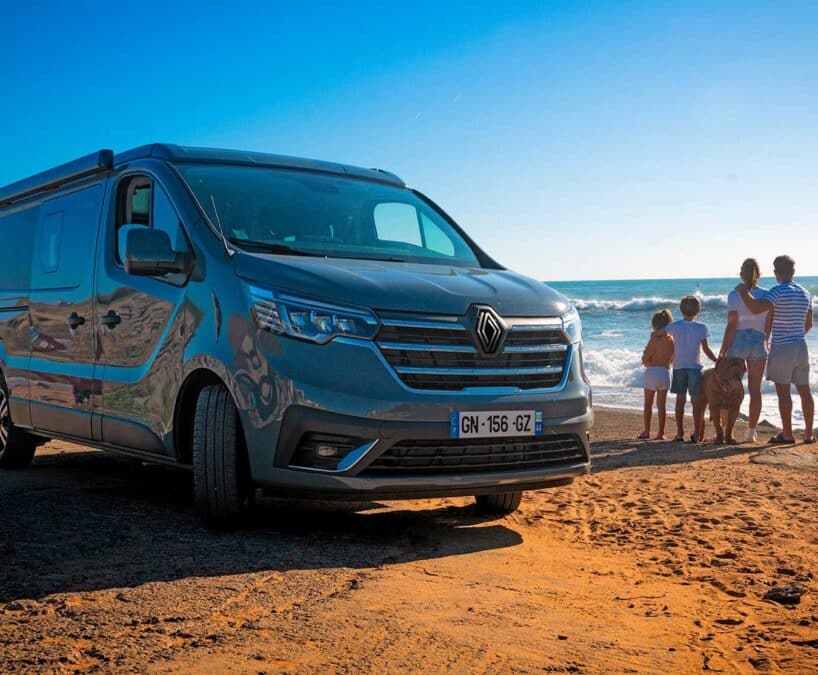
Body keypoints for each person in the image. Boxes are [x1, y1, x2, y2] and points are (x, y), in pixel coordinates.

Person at [735, 255, 814, 444]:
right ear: (793, 272)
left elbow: (756, 309)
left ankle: (787, 434)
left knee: (783, 392)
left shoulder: (777, 291)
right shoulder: (805, 293)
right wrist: (795, 333)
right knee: (805, 391)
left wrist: (743, 293)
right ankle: (809, 434)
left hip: (782, 347)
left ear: (776, 273)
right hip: (801, 346)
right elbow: (809, 323)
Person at [719, 258, 772, 442]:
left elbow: (732, 324)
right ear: (759, 274)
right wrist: (765, 342)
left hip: (739, 340)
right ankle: (750, 432)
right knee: (755, 390)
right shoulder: (767, 294)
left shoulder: (734, 295)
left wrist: (723, 349)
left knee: (728, 388)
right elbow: (768, 325)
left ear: (741, 274)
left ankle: (727, 431)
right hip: (758, 341)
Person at [667, 295, 718, 443]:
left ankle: (680, 433)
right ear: (699, 311)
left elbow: (662, 332)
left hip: (679, 367)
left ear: (681, 310)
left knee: (680, 400)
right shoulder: (702, 327)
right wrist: (716, 360)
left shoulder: (675, 326)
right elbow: (706, 349)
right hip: (695, 368)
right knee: (696, 402)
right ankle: (697, 434)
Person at [639, 309, 674, 440]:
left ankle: (647, 431)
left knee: (648, 404)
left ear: (654, 324)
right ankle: (661, 432)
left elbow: (646, 358)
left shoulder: (653, 338)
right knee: (661, 406)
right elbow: (672, 358)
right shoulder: (671, 339)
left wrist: (645, 359)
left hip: (652, 372)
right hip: (664, 373)